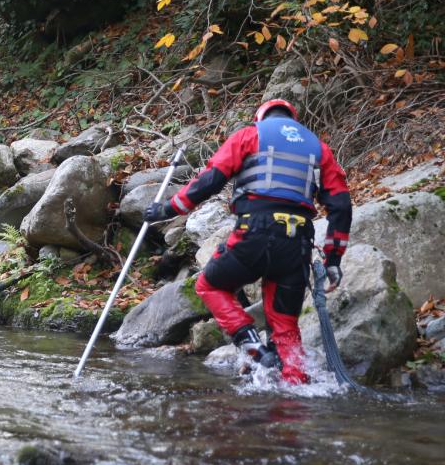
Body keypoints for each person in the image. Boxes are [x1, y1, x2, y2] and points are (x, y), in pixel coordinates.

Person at [144, 99, 352, 384]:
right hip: (297, 244)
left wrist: (168, 209)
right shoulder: (319, 149)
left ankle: (250, 343)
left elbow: (210, 180)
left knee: (209, 284)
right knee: (285, 325)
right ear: (293, 119)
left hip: (254, 234)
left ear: (262, 116)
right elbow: (342, 206)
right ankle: (296, 394)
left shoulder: (250, 135)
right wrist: (334, 260)